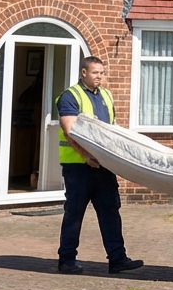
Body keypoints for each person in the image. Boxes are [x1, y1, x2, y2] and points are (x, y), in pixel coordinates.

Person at [56, 56, 142, 275]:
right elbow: (69, 130)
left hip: (104, 166)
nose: (99, 77)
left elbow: (110, 129)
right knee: (74, 213)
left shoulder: (106, 95)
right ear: (83, 72)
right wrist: (86, 156)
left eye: (102, 73)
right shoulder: (70, 96)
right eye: (95, 73)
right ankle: (66, 260)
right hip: (78, 167)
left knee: (110, 211)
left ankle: (118, 259)